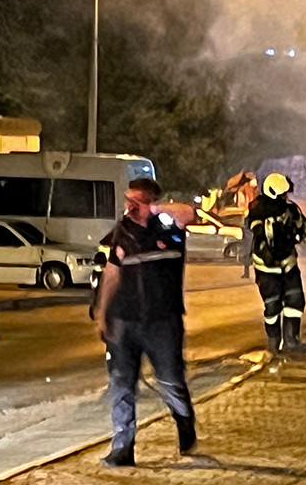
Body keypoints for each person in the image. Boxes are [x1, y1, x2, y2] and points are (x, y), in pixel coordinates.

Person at [92, 178, 197, 467]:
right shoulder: (121, 233)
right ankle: (123, 448)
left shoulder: (168, 227)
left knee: (170, 381)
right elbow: (111, 274)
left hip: (163, 320)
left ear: (150, 200)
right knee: (122, 384)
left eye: (136, 200)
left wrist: (151, 209)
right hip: (124, 321)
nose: (129, 205)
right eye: (128, 199)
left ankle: (183, 418)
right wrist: (102, 314)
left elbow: (189, 213)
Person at [245, 172, 306, 355]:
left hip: (288, 263)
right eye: (283, 193)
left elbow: (301, 227)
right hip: (266, 267)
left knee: (295, 301)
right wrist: (268, 231)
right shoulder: (259, 209)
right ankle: (274, 343)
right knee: (273, 305)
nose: (286, 197)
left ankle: (292, 342)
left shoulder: (291, 210)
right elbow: (255, 227)